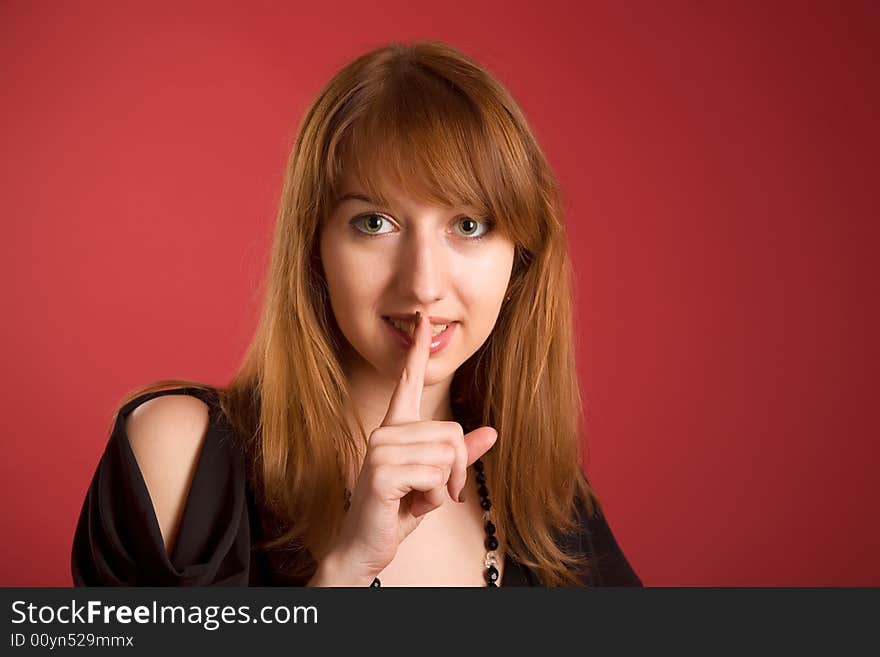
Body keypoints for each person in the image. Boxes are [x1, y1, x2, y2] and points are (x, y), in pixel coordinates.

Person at [71, 40, 642, 587]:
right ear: (314, 247)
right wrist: (345, 572)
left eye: (468, 225)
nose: (423, 284)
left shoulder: (549, 503)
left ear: (520, 259)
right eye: (374, 223)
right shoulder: (184, 455)